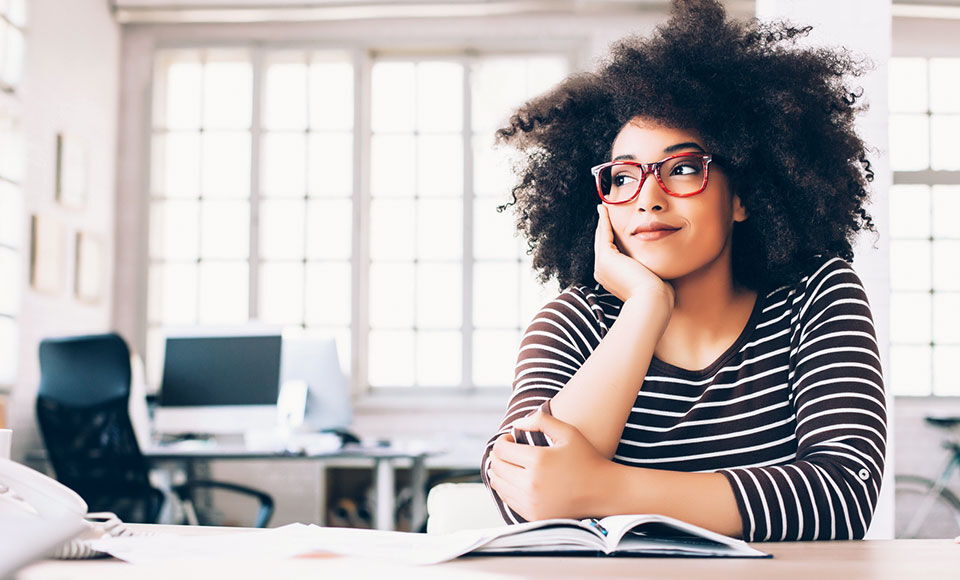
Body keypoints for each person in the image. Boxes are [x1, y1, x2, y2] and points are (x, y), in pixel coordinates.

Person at [480, 0, 886, 542]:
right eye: (622, 178)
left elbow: (843, 496)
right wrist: (645, 307)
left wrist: (603, 488)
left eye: (684, 168)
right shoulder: (572, 323)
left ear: (742, 196)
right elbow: (523, 492)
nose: (646, 198)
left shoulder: (816, 297)